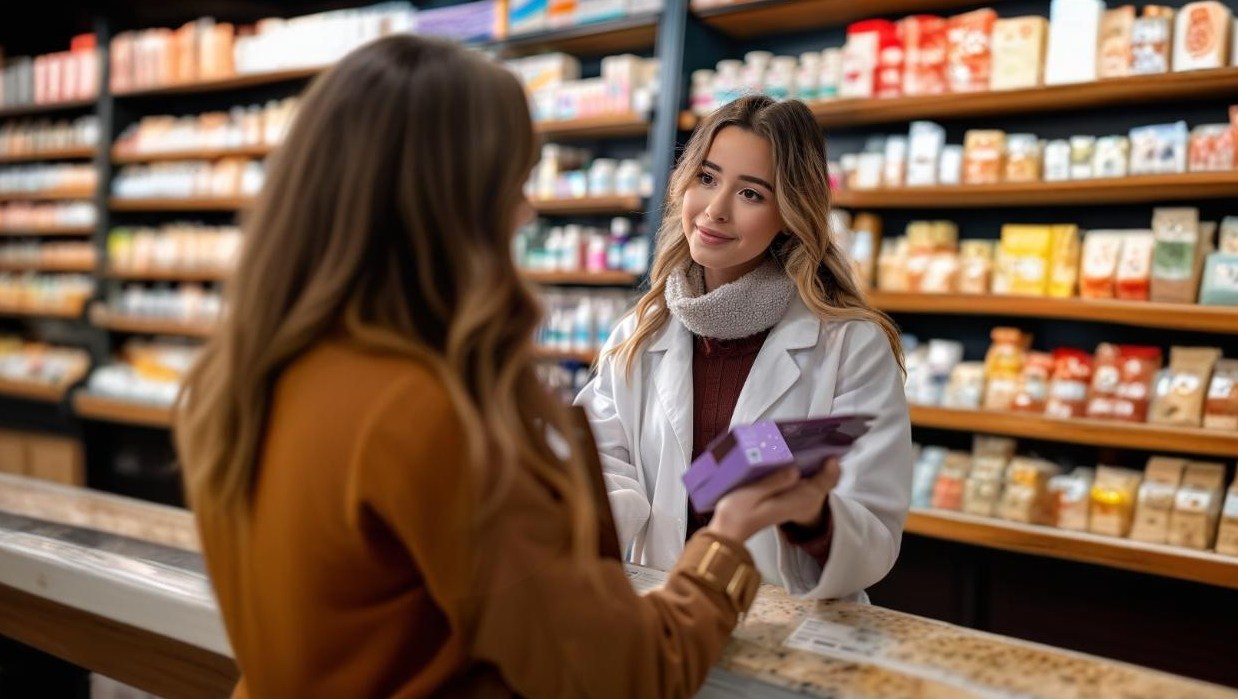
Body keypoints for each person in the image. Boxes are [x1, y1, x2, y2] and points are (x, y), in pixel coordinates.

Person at [172, 35, 823, 698]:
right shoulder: (426, 411)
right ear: (448, 203)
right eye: (511, 182)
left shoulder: (243, 377)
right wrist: (730, 535)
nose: (526, 209)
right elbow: (624, 671)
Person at [576, 95, 914, 602]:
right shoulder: (639, 333)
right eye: (706, 178)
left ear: (791, 213)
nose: (714, 209)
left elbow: (875, 536)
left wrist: (809, 512)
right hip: (664, 611)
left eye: (751, 194)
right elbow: (603, 467)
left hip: (785, 629)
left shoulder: (850, 345)